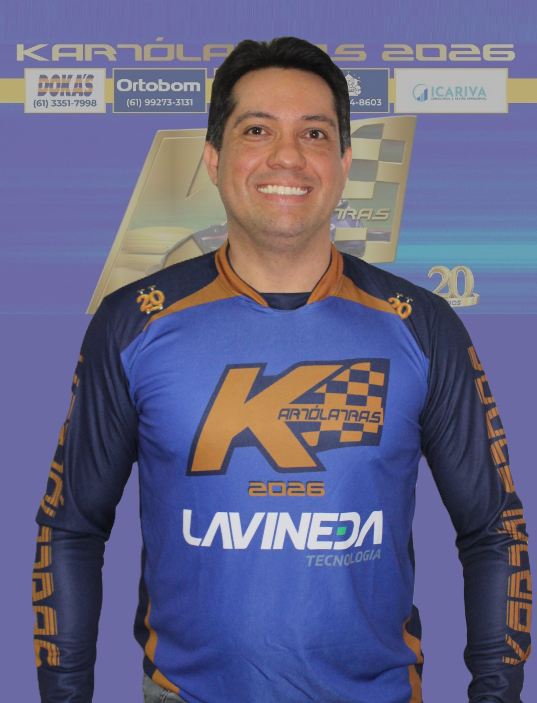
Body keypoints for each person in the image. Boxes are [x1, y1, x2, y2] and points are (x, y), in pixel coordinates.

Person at [33, 37, 531, 703]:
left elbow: (494, 529)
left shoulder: (422, 326)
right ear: (214, 157)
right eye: (257, 130)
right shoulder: (133, 324)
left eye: (314, 133)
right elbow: (70, 527)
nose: (287, 156)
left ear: (345, 162)